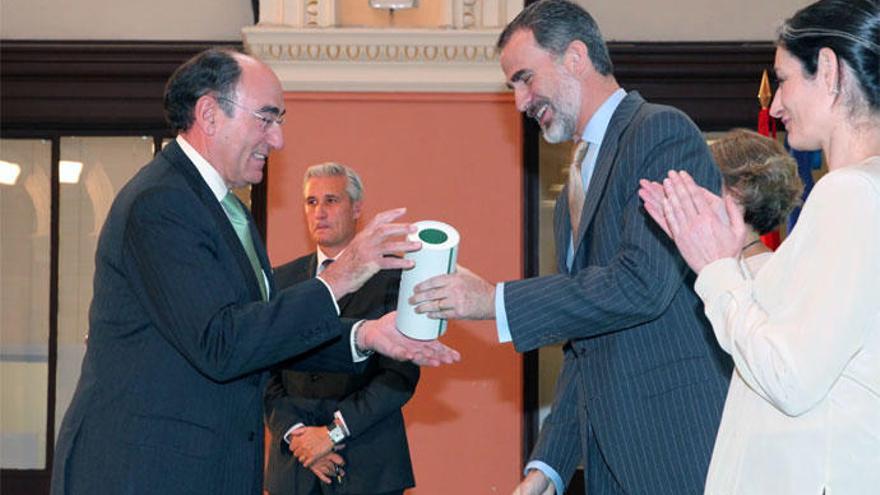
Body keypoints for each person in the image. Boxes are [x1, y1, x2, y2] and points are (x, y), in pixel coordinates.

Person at [50, 48, 458, 495]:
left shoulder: (224, 210)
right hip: (146, 470)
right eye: (266, 118)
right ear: (209, 114)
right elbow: (222, 344)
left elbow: (260, 336)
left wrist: (365, 336)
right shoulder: (161, 203)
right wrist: (344, 274)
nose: (278, 139)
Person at [410, 1, 732, 494]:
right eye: (512, 87)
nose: (519, 101)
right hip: (610, 466)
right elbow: (584, 346)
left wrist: (493, 300)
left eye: (525, 79)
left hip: (676, 448)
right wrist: (545, 471)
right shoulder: (570, 196)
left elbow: (642, 285)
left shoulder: (660, 133)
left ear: (575, 57)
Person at [638, 1, 880, 492]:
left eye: (784, 79)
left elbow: (789, 378)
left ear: (829, 71)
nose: (774, 106)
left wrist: (716, 270)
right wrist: (729, 257)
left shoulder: (850, 193)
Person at [264, 163, 419, 495]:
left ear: (357, 208)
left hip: (369, 469)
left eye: (331, 200)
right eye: (311, 202)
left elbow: (400, 377)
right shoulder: (281, 281)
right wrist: (300, 438)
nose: (319, 212)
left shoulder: (394, 278)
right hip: (295, 469)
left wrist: (330, 434)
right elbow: (264, 374)